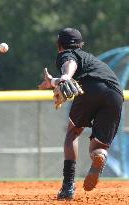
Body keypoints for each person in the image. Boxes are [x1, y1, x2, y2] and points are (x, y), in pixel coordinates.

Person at [38, 27, 124, 200]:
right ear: (81, 44)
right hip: (116, 93)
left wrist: (65, 76)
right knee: (98, 147)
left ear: (59, 45)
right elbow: (71, 73)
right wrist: (54, 81)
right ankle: (99, 156)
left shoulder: (66, 54)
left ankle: (68, 186)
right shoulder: (92, 60)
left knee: (72, 133)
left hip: (91, 88)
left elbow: (69, 64)